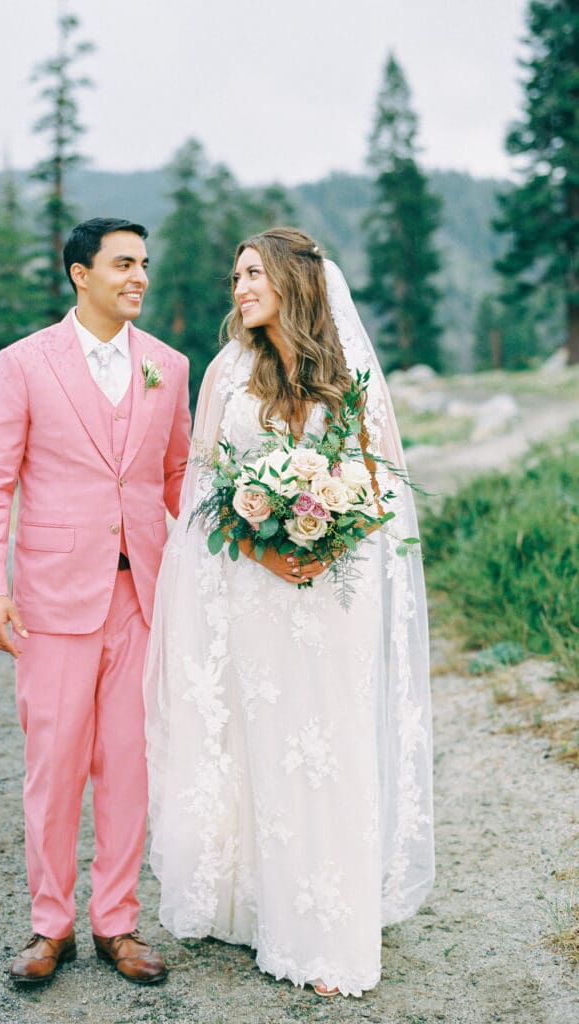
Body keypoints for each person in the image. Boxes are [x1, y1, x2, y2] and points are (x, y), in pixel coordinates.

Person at [143, 227, 433, 998]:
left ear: (293, 281)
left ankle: (328, 933)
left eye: (252, 273)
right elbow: (201, 489)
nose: (239, 287)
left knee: (327, 747)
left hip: (331, 592)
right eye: (234, 274)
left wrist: (329, 532)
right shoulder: (224, 372)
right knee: (262, 745)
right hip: (255, 588)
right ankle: (259, 905)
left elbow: (382, 484)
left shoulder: (341, 369)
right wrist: (263, 542)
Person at [0, 217, 191, 987]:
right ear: (79, 274)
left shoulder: (169, 365)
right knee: (54, 767)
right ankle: (48, 924)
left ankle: (117, 923)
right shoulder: (23, 364)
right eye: (124, 264)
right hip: (53, 600)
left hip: (142, 598)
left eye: (146, 265)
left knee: (129, 766)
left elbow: (178, 479)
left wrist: (254, 531)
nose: (140, 278)